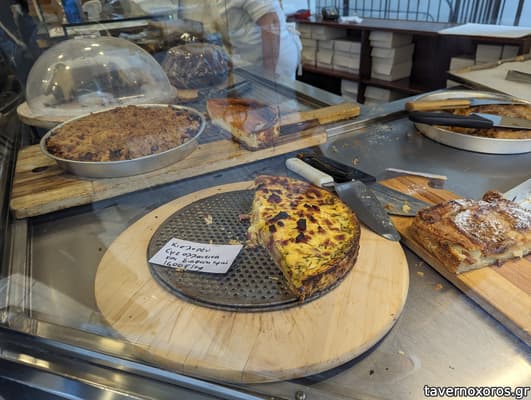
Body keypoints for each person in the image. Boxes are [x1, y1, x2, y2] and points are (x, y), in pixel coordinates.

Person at [152, 0, 301, 80]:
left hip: (273, 58)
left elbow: (271, 21)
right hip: (245, 60)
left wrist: (269, 76)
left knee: (276, 109)